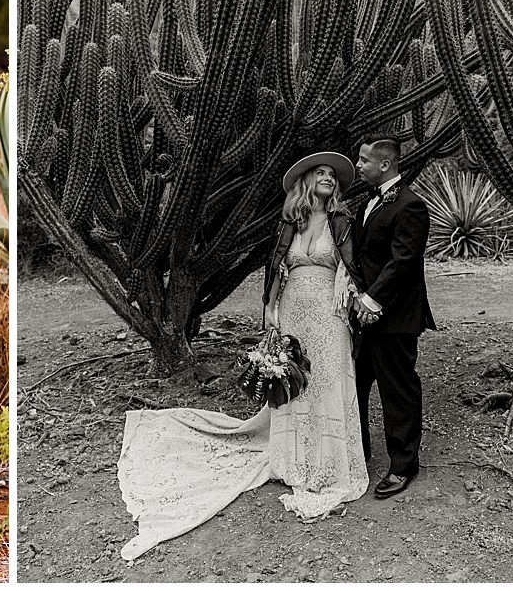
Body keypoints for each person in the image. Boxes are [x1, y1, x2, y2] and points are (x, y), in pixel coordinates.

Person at [115, 151, 368, 560]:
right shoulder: (291, 223)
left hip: (328, 312)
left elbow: (354, 267)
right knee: (296, 382)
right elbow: (276, 270)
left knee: (329, 379)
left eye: (331, 175)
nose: (326, 177)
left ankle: (329, 463)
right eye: (318, 173)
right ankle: (294, 458)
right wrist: (270, 311)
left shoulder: (341, 221)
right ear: (306, 183)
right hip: (293, 311)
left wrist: (353, 295)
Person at [349, 134, 434, 499]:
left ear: (385, 164)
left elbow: (403, 262)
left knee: (397, 390)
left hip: (395, 317)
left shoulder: (410, 206)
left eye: (364, 160)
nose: (358, 165)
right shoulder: (366, 203)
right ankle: (359, 451)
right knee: (355, 384)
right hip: (361, 315)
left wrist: (372, 300)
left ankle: (403, 465)